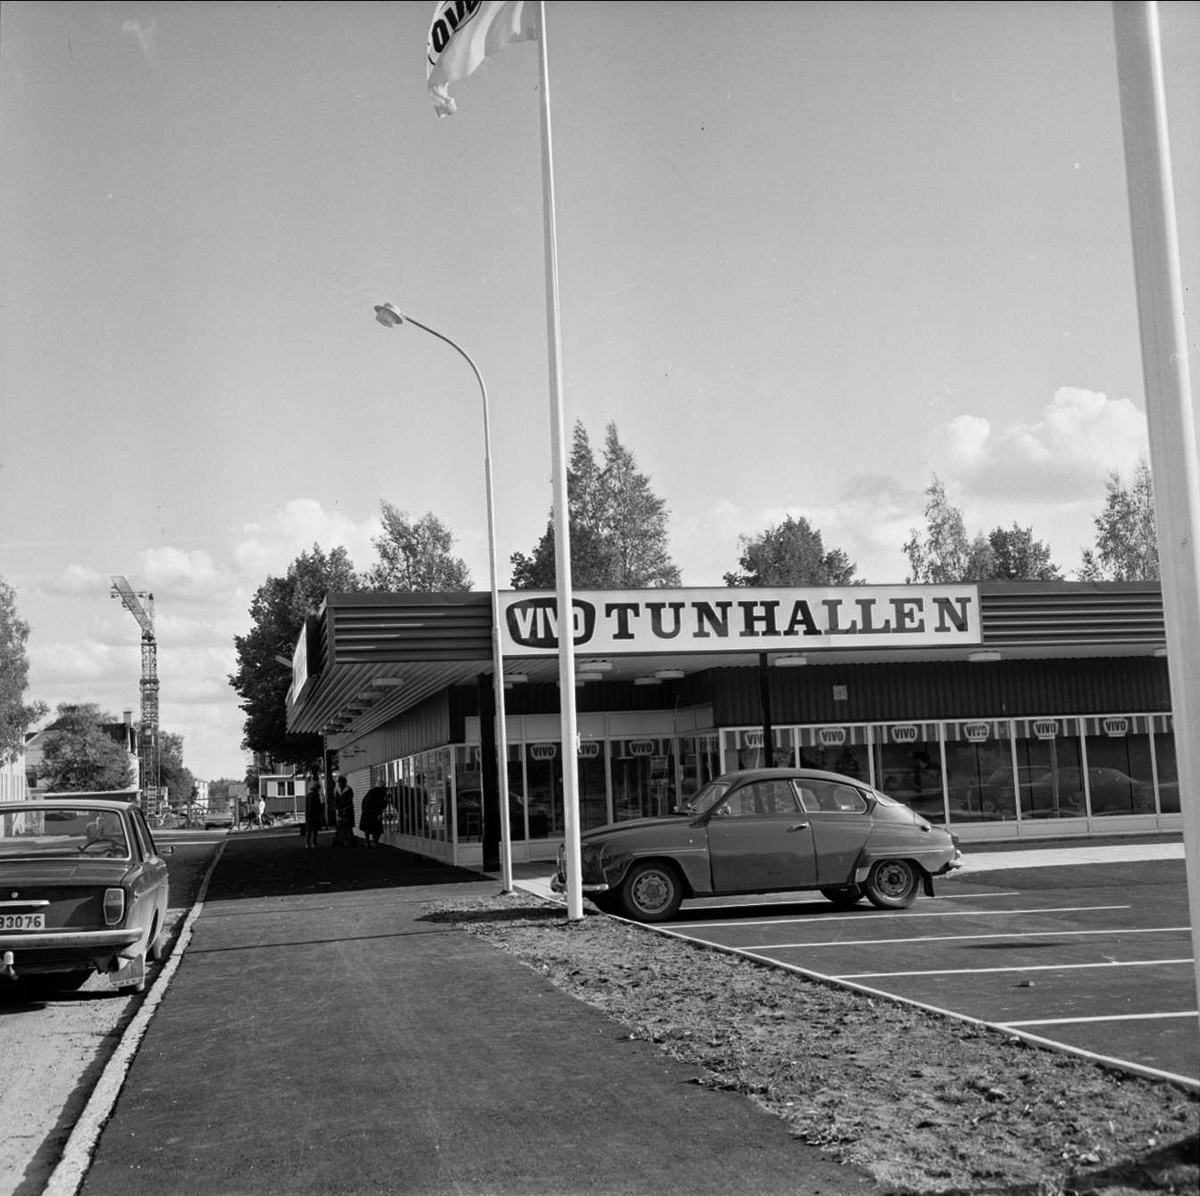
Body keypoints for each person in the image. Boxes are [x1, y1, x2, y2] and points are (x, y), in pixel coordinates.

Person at [332, 775, 355, 847]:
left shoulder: (348, 789)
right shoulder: (337, 790)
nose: (339, 784)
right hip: (340, 810)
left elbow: (349, 799)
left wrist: (344, 806)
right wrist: (337, 806)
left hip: (347, 809)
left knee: (348, 825)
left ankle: (349, 839)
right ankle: (340, 839)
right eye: (339, 783)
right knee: (340, 825)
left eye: (340, 782)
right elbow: (335, 799)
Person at [304, 774, 323, 848]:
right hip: (314, 815)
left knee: (308, 830)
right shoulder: (315, 796)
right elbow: (317, 806)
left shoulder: (308, 796)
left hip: (308, 815)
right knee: (314, 830)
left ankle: (307, 843)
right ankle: (314, 843)